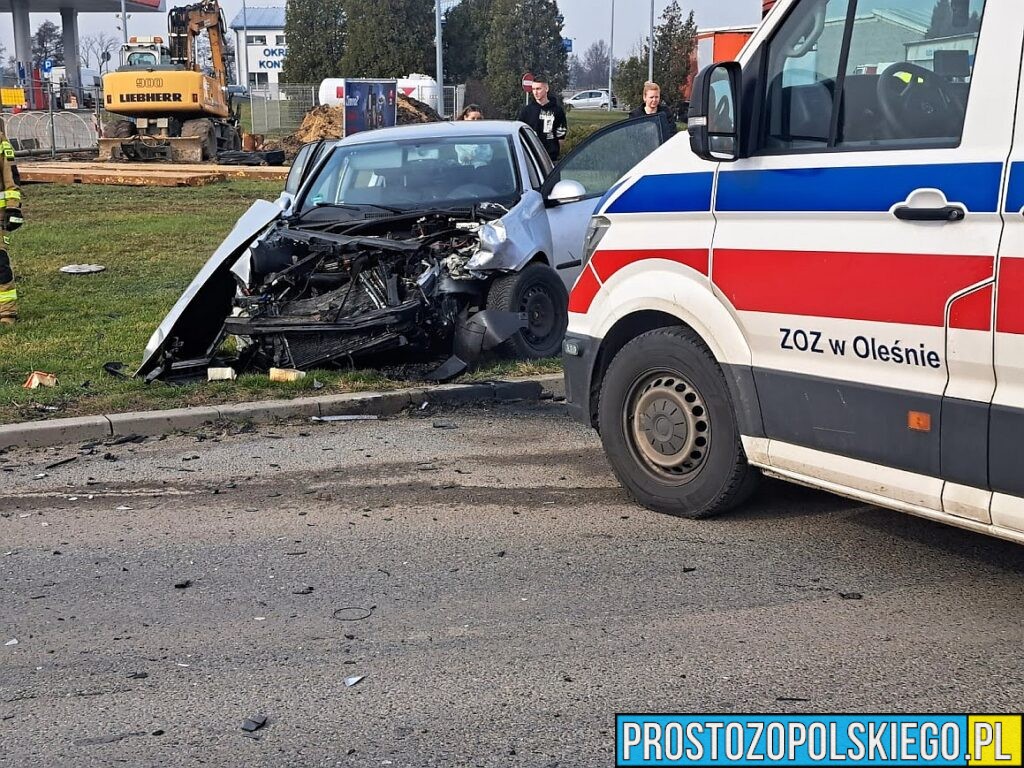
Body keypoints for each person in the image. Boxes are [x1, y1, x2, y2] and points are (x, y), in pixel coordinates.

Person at [0, 116, 22, 325]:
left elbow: (11, 178)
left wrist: (13, 208)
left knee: (0, 264)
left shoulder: (1, 143)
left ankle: (7, 313)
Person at [517, 74, 568, 162]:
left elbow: (561, 135)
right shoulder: (527, 111)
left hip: (551, 157)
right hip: (532, 156)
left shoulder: (557, 110)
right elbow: (520, 132)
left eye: (538, 89)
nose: (535, 92)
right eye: (533, 89)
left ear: (546, 89)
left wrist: (556, 151)